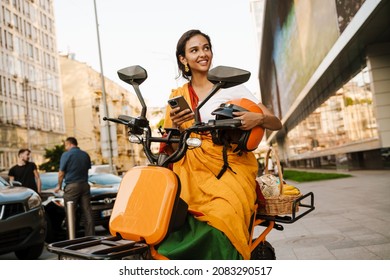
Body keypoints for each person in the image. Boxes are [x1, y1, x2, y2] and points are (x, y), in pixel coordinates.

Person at [157, 29, 282, 260]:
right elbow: (174, 150)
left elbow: (277, 123)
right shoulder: (178, 95)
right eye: (194, 50)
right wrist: (175, 127)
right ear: (183, 60)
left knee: (224, 213)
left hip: (232, 168)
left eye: (206, 47)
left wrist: (259, 118)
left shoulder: (231, 86)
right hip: (192, 172)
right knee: (171, 217)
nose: (203, 54)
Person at [54, 137, 95, 236]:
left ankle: (72, 238)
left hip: (72, 186)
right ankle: (91, 236)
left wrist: (58, 186)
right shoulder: (85, 154)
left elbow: (61, 173)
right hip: (85, 185)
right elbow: (86, 169)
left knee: (70, 213)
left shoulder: (66, 155)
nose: (65, 148)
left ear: (69, 144)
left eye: (65, 146)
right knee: (87, 212)